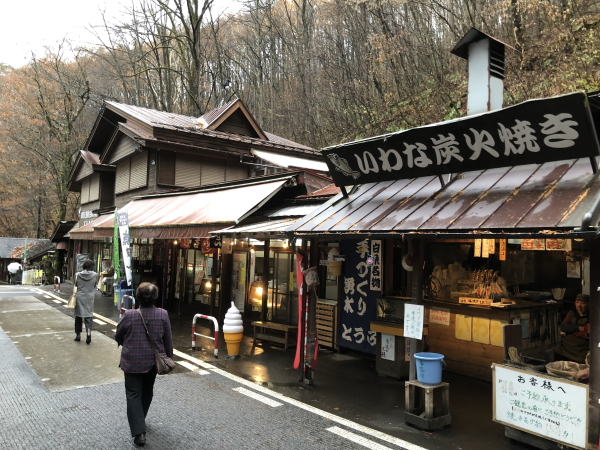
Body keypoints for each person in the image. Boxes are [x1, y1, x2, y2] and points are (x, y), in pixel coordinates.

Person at [114, 283, 173, 447]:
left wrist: (124, 342)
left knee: (133, 394)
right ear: (155, 297)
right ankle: (140, 420)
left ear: (138, 297)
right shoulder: (162, 314)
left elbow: (118, 335)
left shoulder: (130, 315)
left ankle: (139, 432)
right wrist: (168, 358)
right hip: (153, 362)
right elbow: (168, 339)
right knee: (147, 391)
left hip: (131, 361)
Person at [553, 293, 590, 363]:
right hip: (565, 346)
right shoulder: (572, 313)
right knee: (552, 352)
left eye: (583, 303)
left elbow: (586, 334)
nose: (579, 306)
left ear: (588, 304)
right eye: (577, 302)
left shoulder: (591, 316)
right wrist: (578, 328)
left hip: (581, 349)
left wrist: (570, 331)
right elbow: (563, 327)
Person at [74, 259, 99, 344]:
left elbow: (76, 284)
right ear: (91, 267)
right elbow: (95, 285)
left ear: (83, 266)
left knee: (78, 316)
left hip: (80, 297)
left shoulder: (77, 275)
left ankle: (78, 334)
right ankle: (88, 332)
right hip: (89, 297)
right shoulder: (95, 275)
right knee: (88, 315)